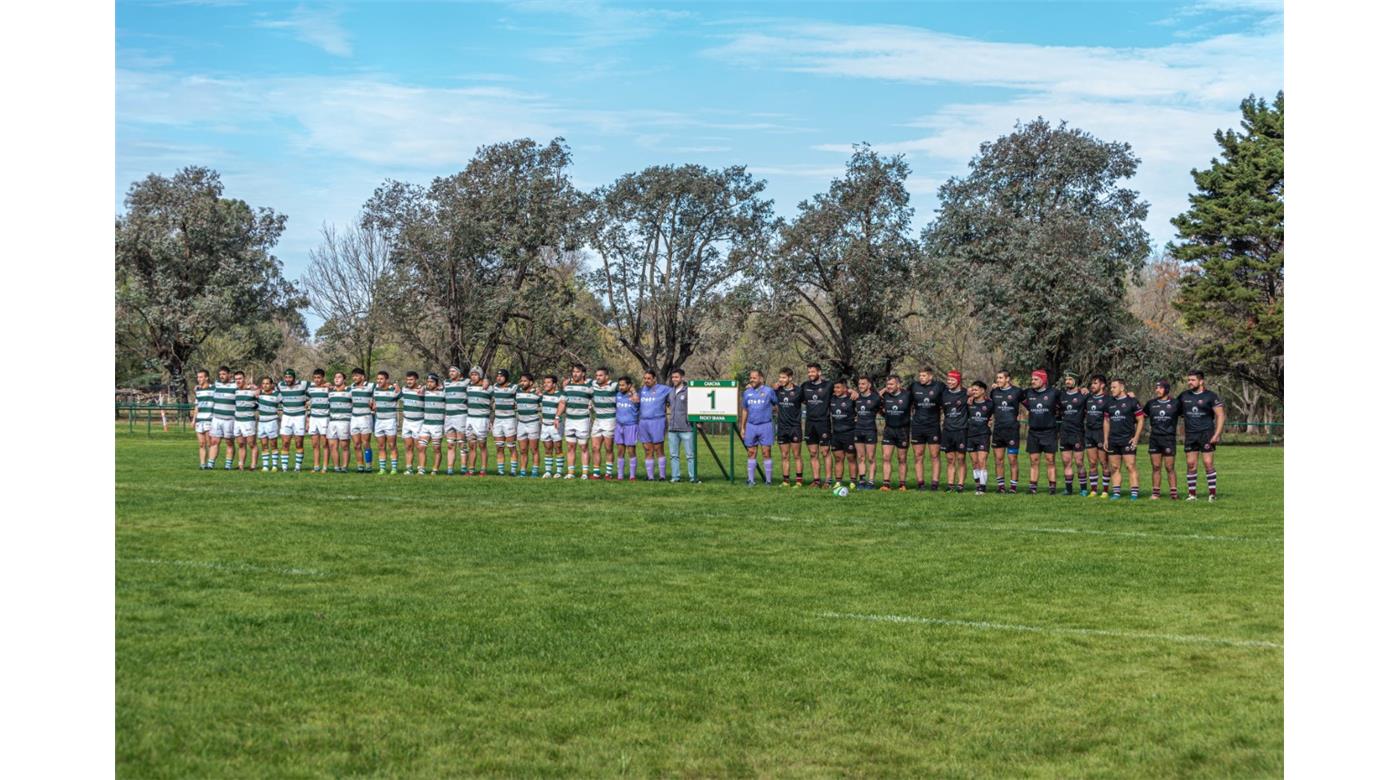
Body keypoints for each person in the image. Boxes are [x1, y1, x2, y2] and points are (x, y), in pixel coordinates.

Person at [1178, 370, 1226, 501]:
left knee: (1208, 463)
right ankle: (1192, 495)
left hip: (1206, 434)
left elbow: (1221, 415)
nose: (1189, 382)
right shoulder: (1183, 396)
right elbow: (1171, 407)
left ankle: (1212, 495)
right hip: (1190, 435)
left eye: (1192, 380)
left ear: (1201, 381)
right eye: (1188, 380)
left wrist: (1217, 434)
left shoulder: (1211, 396)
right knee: (1191, 464)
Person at [1102, 378, 1145, 500]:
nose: (1111, 389)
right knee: (1114, 467)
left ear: (1122, 388)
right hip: (1113, 440)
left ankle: (1134, 494)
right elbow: (1106, 421)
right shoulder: (1109, 403)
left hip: (1127, 439)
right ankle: (1116, 493)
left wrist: (1136, 438)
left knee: (1130, 466)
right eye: (1111, 387)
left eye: (1114, 387)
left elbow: (1141, 420)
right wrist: (1106, 439)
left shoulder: (1132, 402)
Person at [1021, 369, 1060, 495]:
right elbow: (1013, 394)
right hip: (1033, 432)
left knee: (1050, 460)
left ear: (1043, 380)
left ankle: (1052, 488)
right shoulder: (1028, 393)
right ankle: (1032, 488)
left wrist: (1082, 390)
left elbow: (1067, 400)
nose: (1032, 381)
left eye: (1036, 379)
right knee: (1034, 461)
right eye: (1032, 379)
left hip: (1049, 431)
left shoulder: (1054, 393)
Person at [739, 370, 778, 486]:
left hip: (765, 425)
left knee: (766, 452)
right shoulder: (747, 392)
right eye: (751, 378)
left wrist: (772, 412)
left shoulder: (768, 391)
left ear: (761, 379)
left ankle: (768, 481)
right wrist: (743, 427)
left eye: (754, 378)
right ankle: (751, 480)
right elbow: (745, 410)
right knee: (751, 452)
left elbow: (776, 405)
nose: (752, 380)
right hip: (751, 426)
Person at [910, 367, 945, 491]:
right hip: (917, 426)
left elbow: (953, 394)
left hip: (933, 426)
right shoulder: (914, 386)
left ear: (930, 376)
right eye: (920, 376)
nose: (921, 378)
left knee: (935, 455)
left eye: (924, 376)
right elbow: (902, 395)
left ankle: (935, 484)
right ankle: (921, 484)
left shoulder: (940, 386)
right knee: (918, 455)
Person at [1146, 379, 1182, 500]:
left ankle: (1174, 493)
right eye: (1156, 388)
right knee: (1156, 467)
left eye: (1160, 388)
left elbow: (1185, 415)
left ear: (1166, 389)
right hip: (1154, 438)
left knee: (1169, 467)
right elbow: (1140, 416)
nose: (1157, 390)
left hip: (1168, 439)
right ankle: (1156, 493)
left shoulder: (1176, 403)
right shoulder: (1151, 403)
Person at [989, 370, 1024, 493]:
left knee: (1012, 459)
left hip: (1012, 430)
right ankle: (1001, 487)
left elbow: (1029, 401)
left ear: (1007, 379)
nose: (998, 380)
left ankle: (1013, 487)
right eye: (997, 378)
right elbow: (989, 407)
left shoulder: (1017, 391)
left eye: (1000, 378)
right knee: (998, 460)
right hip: (998, 430)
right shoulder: (994, 392)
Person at [800, 364, 834, 487]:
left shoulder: (828, 385)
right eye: (809, 372)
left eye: (813, 372)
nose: (810, 374)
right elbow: (799, 398)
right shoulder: (805, 386)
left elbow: (842, 389)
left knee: (825, 452)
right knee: (813, 453)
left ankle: (828, 480)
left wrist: (851, 391)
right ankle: (816, 480)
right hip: (810, 423)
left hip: (823, 422)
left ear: (819, 372)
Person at [878, 374, 913, 491]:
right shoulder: (885, 396)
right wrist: (882, 390)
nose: (889, 386)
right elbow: (874, 399)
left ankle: (902, 484)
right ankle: (886, 484)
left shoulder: (907, 395)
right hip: (889, 429)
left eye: (891, 384)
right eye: (887, 384)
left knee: (901, 458)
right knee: (886, 457)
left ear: (898, 384)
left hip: (903, 430)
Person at [1057, 373, 1089, 495]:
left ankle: (1083, 489)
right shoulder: (1061, 395)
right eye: (1066, 379)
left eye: (1070, 379)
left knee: (1079, 462)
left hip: (1077, 433)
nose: (1067, 381)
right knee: (1066, 462)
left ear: (1076, 381)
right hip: (1064, 432)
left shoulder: (1083, 395)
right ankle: (1068, 489)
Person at [561, 364, 593, 479]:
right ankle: (571, 473)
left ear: (583, 374)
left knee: (583, 446)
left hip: (583, 420)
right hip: (569, 419)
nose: (575, 374)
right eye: (573, 372)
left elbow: (596, 398)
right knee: (570, 446)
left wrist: (591, 404)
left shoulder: (589, 387)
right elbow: (562, 402)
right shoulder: (567, 387)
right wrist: (557, 417)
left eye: (578, 372)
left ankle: (585, 473)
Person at [666, 369, 699, 483]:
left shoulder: (689, 391)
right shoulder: (670, 392)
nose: (674, 379)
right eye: (673, 377)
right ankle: (675, 477)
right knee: (673, 455)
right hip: (672, 429)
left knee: (690, 455)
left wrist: (698, 422)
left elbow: (696, 407)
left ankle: (693, 477)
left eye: (677, 377)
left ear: (682, 378)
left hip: (686, 428)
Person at [773, 368, 804, 487]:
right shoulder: (777, 390)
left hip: (795, 427)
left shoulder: (799, 391)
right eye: (780, 377)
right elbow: (765, 392)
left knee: (797, 455)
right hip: (782, 427)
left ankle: (799, 481)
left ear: (790, 378)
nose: (781, 380)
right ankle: (786, 481)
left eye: (784, 377)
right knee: (784, 455)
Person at [638, 369, 670, 481]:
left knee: (658, 449)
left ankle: (662, 476)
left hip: (657, 421)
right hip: (643, 422)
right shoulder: (641, 390)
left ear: (654, 379)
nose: (646, 380)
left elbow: (675, 394)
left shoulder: (664, 389)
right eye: (645, 378)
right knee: (647, 449)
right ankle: (650, 476)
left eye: (649, 378)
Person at [939, 370, 969, 492]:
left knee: (961, 459)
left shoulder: (966, 393)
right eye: (948, 380)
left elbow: (981, 395)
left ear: (958, 380)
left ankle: (960, 484)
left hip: (961, 430)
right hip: (947, 430)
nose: (949, 382)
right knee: (950, 459)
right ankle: (950, 485)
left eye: (952, 380)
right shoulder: (944, 394)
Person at [277, 369, 310, 473]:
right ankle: (284, 468)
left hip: (299, 417)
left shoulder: (304, 384)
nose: (287, 379)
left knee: (299, 443)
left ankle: (297, 468)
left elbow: (316, 386)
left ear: (294, 378)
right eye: (286, 377)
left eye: (290, 377)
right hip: (286, 417)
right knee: (285, 442)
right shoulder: (280, 385)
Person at [590, 366, 619, 480]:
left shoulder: (614, 385)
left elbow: (629, 387)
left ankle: (608, 473)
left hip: (610, 420)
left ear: (607, 376)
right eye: (596, 375)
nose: (598, 377)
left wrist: (634, 394)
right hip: (597, 420)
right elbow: (581, 381)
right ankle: (596, 473)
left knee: (608, 448)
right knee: (595, 447)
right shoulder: (594, 384)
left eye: (600, 375)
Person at [827, 378, 857, 490]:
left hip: (849, 432)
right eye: (835, 387)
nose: (836, 390)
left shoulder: (852, 398)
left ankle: (853, 482)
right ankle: (838, 482)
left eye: (838, 387)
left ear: (845, 388)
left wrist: (853, 391)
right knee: (838, 458)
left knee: (851, 458)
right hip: (836, 433)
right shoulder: (832, 398)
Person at [1083, 375, 1110, 497]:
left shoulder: (1108, 399)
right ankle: (1093, 490)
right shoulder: (1088, 398)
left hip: (1101, 433)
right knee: (1092, 462)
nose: (1092, 385)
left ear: (1102, 385)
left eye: (1095, 383)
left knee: (1104, 463)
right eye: (1091, 383)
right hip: (1089, 433)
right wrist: (1081, 389)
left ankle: (1105, 491)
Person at [853, 376, 881, 490]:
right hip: (858, 429)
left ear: (869, 385)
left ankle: (871, 482)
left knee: (871, 457)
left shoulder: (876, 398)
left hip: (870, 430)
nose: (860, 386)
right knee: (860, 457)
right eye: (859, 384)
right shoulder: (856, 397)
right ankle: (862, 481)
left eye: (863, 384)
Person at [966, 381, 994, 494]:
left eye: (976, 389)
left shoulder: (990, 404)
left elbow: (994, 414)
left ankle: (982, 487)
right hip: (970, 435)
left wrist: (991, 421)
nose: (974, 391)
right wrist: (969, 395)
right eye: (973, 389)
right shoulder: (968, 403)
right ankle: (977, 485)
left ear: (983, 390)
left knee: (982, 461)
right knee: (974, 463)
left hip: (983, 435)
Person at [370, 370, 401, 475]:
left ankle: (394, 469)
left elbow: (403, 396)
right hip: (378, 421)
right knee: (381, 446)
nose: (379, 381)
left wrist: (398, 388)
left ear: (387, 379)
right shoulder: (375, 390)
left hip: (390, 421)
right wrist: (372, 406)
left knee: (392, 445)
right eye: (378, 379)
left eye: (381, 379)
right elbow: (374, 404)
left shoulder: (394, 389)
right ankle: (382, 469)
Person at [490, 369, 519, 476]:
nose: (498, 378)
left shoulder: (514, 387)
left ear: (506, 377)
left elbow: (526, 389)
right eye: (497, 376)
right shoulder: (495, 387)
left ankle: (513, 471)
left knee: (511, 446)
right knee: (499, 446)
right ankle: (501, 471)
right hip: (498, 420)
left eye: (501, 376)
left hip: (509, 420)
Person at [464, 367, 492, 476]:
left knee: (482, 445)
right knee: (471, 445)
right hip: (470, 419)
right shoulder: (468, 386)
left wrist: (487, 381)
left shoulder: (489, 388)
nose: (473, 376)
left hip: (482, 419)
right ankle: (471, 469)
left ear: (480, 376)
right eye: (472, 374)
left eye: (476, 374)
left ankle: (483, 469)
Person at [442, 366, 469, 476]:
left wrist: (485, 381)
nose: (451, 373)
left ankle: (463, 468)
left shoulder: (466, 382)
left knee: (461, 443)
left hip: (460, 416)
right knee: (450, 445)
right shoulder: (446, 383)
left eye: (453, 371)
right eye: (450, 371)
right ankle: (450, 469)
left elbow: (479, 381)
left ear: (459, 373)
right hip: (449, 417)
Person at [613, 376, 641, 480]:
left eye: (623, 385)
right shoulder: (618, 395)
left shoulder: (634, 396)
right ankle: (620, 476)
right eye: (619, 385)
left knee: (631, 451)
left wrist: (634, 392)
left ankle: (632, 476)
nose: (620, 387)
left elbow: (637, 402)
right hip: (619, 426)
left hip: (631, 426)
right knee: (620, 451)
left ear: (629, 385)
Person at [418, 373, 446, 475]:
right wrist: (424, 387)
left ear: (437, 383)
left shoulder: (443, 392)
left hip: (437, 424)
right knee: (421, 447)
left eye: (432, 382)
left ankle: (435, 469)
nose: (429, 384)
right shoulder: (425, 391)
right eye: (428, 382)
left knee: (436, 448)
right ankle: (421, 469)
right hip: (426, 424)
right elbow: (419, 391)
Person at [515, 373, 542, 478]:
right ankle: (523, 472)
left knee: (534, 449)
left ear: (531, 382)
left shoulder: (537, 393)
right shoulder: (517, 392)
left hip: (533, 423)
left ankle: (535, 472)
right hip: (521, 423)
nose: (522, 383)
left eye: (525, 381)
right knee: (522, 450)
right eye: (521, 381)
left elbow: (544, 404)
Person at [210, 366, 237, 470]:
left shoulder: (235, 385)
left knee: (229, 442)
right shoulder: (216, 384)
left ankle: (228, 465)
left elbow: (246, 388)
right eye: (220, 374)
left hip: (229, 419)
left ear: (229, 374)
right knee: (214, 441)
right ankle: (210, 464)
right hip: (216, 418)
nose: (221, 376)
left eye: (224, 374)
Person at [349, 368, 375, 473]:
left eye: (357, 375)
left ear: (362, 377)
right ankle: (360, 466)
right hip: (354, 417)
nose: (354, 378)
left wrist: (375, 402)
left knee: (365, 443)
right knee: (356, 444)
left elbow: (380, 392)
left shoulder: (371, 386)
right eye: (353, 376)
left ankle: (368, 466)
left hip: (366, 417)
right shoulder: (351, 387)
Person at [399, 371, 424, 476]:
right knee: (408, 446)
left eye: (411, 379)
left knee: (419, 447)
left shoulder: (423, 390)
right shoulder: (404, 390)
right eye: (408, 379)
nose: (409, 381)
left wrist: (424, 389)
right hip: (406, 421)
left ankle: (421, 469)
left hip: (418, 422)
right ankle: (409, 469)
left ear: (416, 380)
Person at [539, 375, 564, 478]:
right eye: (545, 382)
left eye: (548, 382)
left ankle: (559, 472)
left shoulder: (560, 395)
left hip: (555, 425)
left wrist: (557, 418)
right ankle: (548, 471)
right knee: (547, 448)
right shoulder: (543, 395)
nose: (545, 384)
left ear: (554, 384)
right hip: (545, 425)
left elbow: (562, 406)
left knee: (558, 447)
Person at [326, 372, 352, 473]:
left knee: (344, 446)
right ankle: (336, 467)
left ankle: (344, 467)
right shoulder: (330, 391)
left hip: (344, 421)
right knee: (332, 446)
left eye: (339, 377)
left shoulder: (350, 391)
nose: (337, 379)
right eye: (335, 377)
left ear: (344, 380)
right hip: (332, 422)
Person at [307, 369, 331, 474]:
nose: (317, 380)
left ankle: (324, 467)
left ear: (323, 378)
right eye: (315, 377)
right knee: (315, 444)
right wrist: (308, 418)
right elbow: (307, 403)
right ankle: (316, 466)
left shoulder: (328, 388)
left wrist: (330, 386)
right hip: (313, 418)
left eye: (319, 377)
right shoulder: (310, 388)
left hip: (324, 418)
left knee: (325, 444)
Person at [255, 377, 281, 471]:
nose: (265, 385)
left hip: (272, 421)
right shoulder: (259, 394)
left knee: (273, 444)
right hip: (261, 422)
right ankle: (265, 466)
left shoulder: (277, 395)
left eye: (267, 383)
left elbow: (285, 402)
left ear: (271, 385)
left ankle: (274, 466)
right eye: (263, 383)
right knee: (264, 444)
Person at [232, 371, 256, 471]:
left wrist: (256, 389)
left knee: (251, 444)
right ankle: (241, 465)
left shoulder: (252, 390)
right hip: (238, 421)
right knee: (241, 444)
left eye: (240, 378)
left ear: (244, 378)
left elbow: (261, 396)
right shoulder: (235, 390)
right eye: (236, 379)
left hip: (248, 421)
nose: (238, 381)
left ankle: (253, 466)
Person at [192, 369, 214, 469]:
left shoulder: (213, 389)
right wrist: (193, 419)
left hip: (209, 419)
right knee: (201, 444)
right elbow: (197, 406)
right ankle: (202, 464)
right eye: (198, 377)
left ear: (206, 378)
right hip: (199, 420)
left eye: (201, 377)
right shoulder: (198, 391)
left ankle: (210, 464)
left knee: (209, 443)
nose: (199, 379)